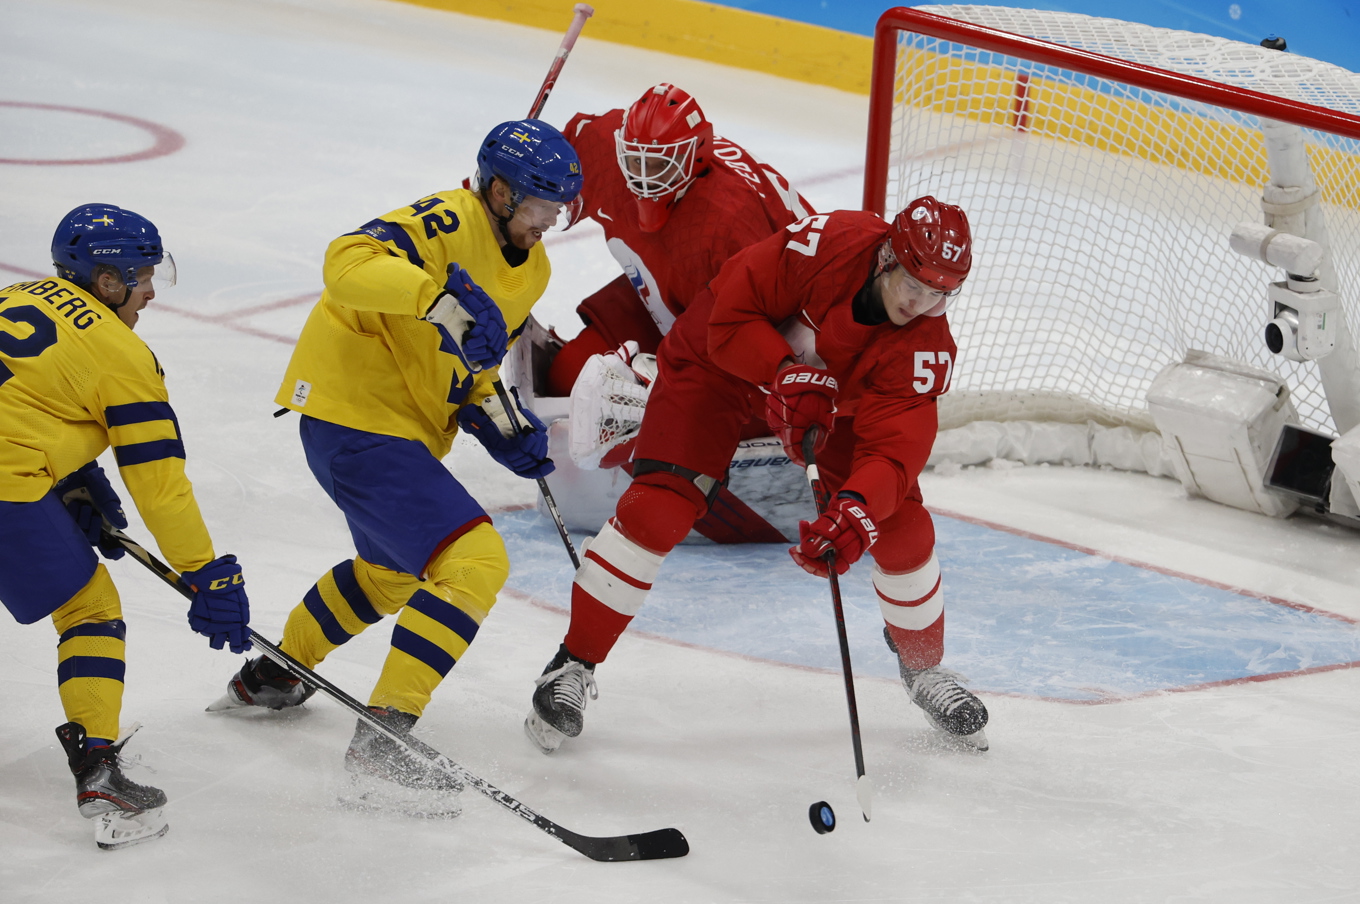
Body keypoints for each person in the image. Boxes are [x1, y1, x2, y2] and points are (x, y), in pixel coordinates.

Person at [526, 197, 991, 754]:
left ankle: (925, 671)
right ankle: (570, 666)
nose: (922, 303)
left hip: (829, 405)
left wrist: (858, 510)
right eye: (915, 282)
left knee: (903, 527)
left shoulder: (926, 344)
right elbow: (728, 316)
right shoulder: (827, 246)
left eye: (941, 292)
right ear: (889, 254)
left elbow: (895, 453)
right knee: (658, 510)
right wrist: (783, 374)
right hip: (719, 367)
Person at [212, 119, 582, 812]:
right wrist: (434, 298)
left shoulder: (533, 270)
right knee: (474, 563)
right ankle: (386, 740)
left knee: (391, 572)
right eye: (539, 207)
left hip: (400, 432)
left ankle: (275, 673)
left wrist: (502, 424)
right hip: (353, 413)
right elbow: (345, 262)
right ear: (499, 192)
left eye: (557, 211)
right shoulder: (446, 219)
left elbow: (470, 362)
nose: (548, 222)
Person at [0, 204, 253, 849]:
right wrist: (205, 574)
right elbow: (160, 484)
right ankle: (100, 771)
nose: (149, 292)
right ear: (105, 279)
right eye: (141, 277)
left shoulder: (16, 293)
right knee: (89, 608)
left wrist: (66, 472)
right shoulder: (123, 354)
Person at [546, 82, 811, 404]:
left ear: (696, 154)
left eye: (660, 165)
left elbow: (748, 330)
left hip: (771, 321)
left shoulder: (725, 227)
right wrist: (487, 204)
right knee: (567, 375)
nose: (645, 177)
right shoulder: (602, 146)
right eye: (636, 161)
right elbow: (543, 160)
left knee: (672, 414)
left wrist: (671, 375)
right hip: (671, 289)